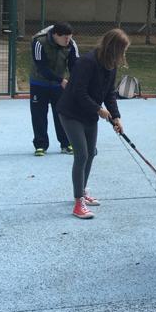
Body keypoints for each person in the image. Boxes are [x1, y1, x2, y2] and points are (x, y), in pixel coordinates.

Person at [56, 28, 128, 219]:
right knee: (81, 155)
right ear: (113, 48)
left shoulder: (111, 65)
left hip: (89, 115)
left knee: (91, 154)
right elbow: (79, 92)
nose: (122, 55)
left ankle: (82, 191)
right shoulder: (86, 62)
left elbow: (109, 93)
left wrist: (116, 117)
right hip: (71, 112)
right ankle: (78, 202)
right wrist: (99, 110)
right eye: (121, 50)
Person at [29, 21, 79, 156]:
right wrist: (61, 80)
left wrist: (76, 81)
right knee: (39, 115)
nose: (68, 40)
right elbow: (41, 67)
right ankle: (40, 145)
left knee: (62, 114)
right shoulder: (39, 43)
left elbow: (74, 65)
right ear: (56, 35)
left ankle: (66, 144)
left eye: (70, 37)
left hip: (59, 86)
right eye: (65, 37)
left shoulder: (71, 44)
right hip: (39, 84)